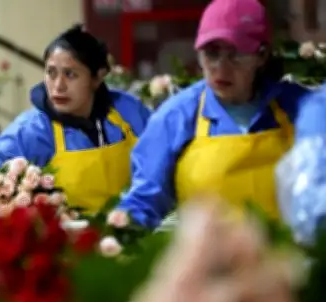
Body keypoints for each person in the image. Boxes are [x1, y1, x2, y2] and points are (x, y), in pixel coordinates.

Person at [112, 0, 311, 230]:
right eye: (211, 53)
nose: (221, 68)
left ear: (262, 56)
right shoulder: (176, 116)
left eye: (235, 55)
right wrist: (116, 239)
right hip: (210, 260)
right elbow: (143, 203)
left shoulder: (299, 108)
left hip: (288, 260)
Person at [0, 25, 151, 214]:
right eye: (51, 73)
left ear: (97, 76)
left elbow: (165, 155)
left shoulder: (128, 111)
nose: (58, 86)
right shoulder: (33, 129)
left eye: (71, 74)